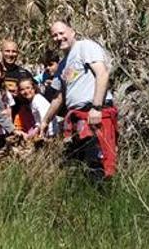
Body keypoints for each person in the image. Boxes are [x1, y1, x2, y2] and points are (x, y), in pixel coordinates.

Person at [39, 21, 117, 181]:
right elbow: (59, 97)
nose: (58, 37)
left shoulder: (85, 47)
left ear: (72, 32)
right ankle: (89, 199)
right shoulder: (63, 65)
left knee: (99, 161)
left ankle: (105, 199)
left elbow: (102, 74)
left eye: (61, 33)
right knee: (84, 164)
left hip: (94, 113)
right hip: (78, 118)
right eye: (54, 35)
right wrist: (46, 120)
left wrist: (96, 107)